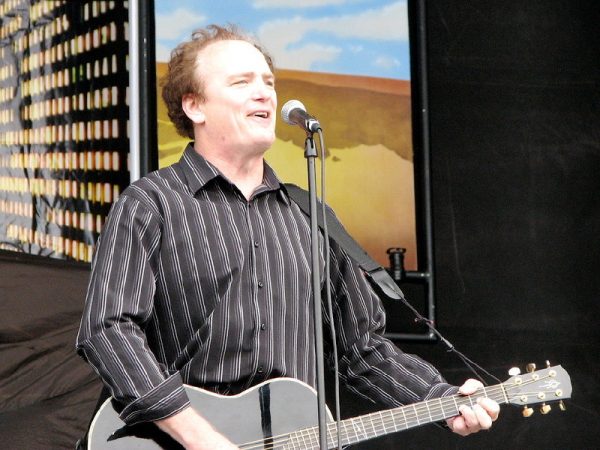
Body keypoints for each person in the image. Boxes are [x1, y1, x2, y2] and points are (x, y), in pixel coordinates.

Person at [76, 24, 499, 449]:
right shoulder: (152, 203)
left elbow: (361, 348)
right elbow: (107, 329)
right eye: (242, 82)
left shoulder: (310, 216)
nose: (264, 93)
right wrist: (199, 437)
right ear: (194, 106)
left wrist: (442, 400)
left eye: (268, 82)